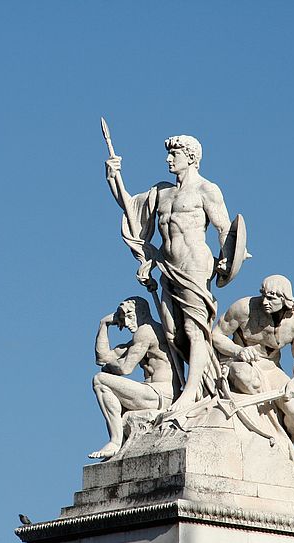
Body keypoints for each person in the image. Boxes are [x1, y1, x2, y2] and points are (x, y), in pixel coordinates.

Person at [105, 135, 231, 411]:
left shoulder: (206, 190)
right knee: (173, 334)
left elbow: (225, 229)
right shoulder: (161, 192)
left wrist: (226, 259)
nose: (168, 159)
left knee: (194, 329)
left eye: (174, 153)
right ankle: (191, 386)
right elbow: (131, 209)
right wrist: (114, 178)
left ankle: (191, 391)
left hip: (195, 266)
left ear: (191, 156)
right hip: (167, 267)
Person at [210, 275, 294, 442]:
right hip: (237, 362)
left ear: (285, 299)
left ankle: (284, 447)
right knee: (247, 378)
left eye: (271, 298)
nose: (265, 301)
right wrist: (238, 351)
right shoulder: (244, 308)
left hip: (271, 368)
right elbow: (216, 336)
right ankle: (266, 432)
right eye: (263, 295)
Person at [89, 297, 173, 459]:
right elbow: (102, 358)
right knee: (104, 378)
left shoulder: (146, 331)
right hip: (152, 393)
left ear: (141, 313)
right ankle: (117, 440)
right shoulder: (139, 337)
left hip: (159, 393)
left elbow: (125, 368)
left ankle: (115, 441)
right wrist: (103, 325)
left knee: (100, 379)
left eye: (129, 315)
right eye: (122, 317)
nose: (126, 323)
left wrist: (111, 365)